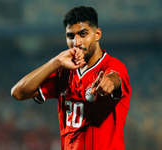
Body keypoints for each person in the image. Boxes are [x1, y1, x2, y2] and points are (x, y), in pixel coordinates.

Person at [11, 6, 131, 150]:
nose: (76, 42)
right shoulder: (64, 73)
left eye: (83, 34)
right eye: (70, 36)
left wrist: (109, 82)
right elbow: (18, 93)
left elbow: (115, 77)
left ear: (97, 34)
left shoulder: (112, 66)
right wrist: (55, 62)